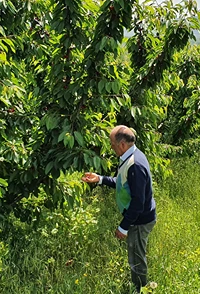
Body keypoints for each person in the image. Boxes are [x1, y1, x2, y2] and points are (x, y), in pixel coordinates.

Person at [82, 125, 156, 293]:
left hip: (139, 220)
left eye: (113, 144)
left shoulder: (135, 165)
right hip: (139, 217)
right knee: (137, 253)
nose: (111, 147)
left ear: (122, 144)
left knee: (137, 257)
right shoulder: (131, 157)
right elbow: (123, 184)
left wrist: (123, 227)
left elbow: (138, 202)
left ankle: (140, 289)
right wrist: (100, 179)